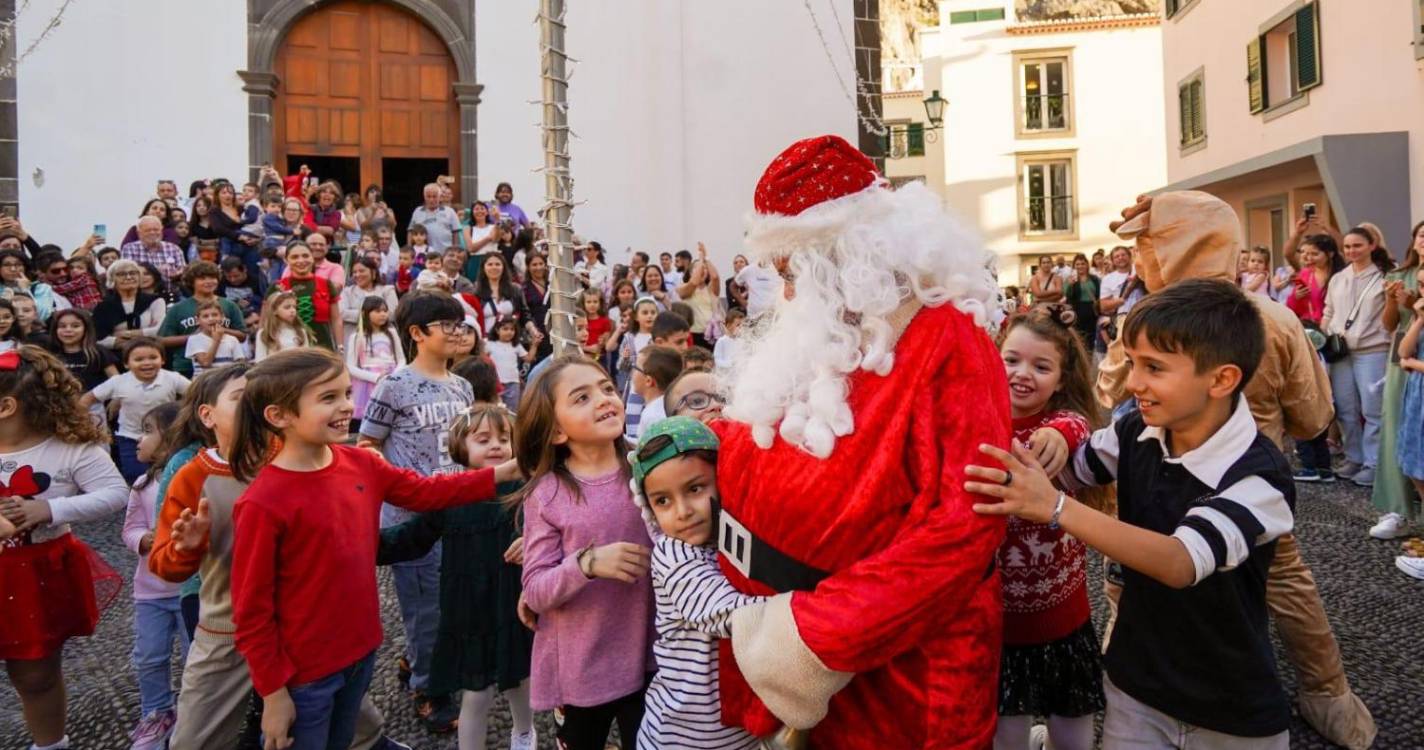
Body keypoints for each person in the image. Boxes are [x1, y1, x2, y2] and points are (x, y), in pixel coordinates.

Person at [713, 135, 1008, 748]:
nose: (787, 292)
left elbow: (961, 530)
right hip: (790, 655)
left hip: (899, 680)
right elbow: (775, 439)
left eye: (794, 270)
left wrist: (813, 634)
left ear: (849, 254)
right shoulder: (824, 329)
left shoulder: (946, 339)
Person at [1099, 191, 1376, 750]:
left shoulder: (1146, 320)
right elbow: (1314, 415)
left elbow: (1109, 390)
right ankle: (1330, 699)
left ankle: (1136, 698)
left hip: (1155, 498)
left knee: (1133, 596)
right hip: (1255, 501)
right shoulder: (1273, 318)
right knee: (1289, 593)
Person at [970, 279, 1293, 748]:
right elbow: (1070, 464)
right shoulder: (1137, 430)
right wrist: (1056, 440)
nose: (1133, 382)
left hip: (1229, 706)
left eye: (1154, 368)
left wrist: (1054, 507)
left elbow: (1180, 561)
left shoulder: (1259, 476)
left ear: (1221, 379)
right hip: (1135, 687)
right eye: (1133, 363)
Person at [226, 349, 517, 750]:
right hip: (304, 675)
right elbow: (251, 611)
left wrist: (504, 472)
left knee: (343, 740)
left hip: (361, 651)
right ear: (279, 416)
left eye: (346, 393)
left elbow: (426, 491)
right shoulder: (262, 503)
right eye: (328, 398)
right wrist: (273, 693)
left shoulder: (360, 463)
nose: (347, 405)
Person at [377, 404, 537, 750]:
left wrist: (536, 543)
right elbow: (412, 537)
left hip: (514, 603)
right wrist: (364, 545)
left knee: (520, 681)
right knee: (475, 692)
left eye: (503, 438)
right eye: (483, 439)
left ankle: (524, 735)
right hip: (469, 610)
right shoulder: (451, 493)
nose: (495, 445)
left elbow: (558, 528)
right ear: (460, 446)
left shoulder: (527, 488)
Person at [515, 356, 655, 750]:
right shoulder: (546, 494)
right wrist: (587, 564)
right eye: (581, 397)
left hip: (653, 654)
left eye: (607, 388)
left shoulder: (649, 465)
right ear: (556, 430)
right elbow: (537, 591)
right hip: (583, 665)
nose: (603, 399)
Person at [357, 292, 478, 731]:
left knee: (453, 601)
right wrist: (398, 488)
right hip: (410, 519)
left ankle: (417, 663)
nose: (456, 331)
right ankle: (431, 690)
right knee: (425, 610)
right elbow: (367, 446)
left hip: (456, 511)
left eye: (459, 323)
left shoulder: (462, 385)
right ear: (416, 333)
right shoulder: (393, 385)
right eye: (446, 323)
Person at [0, 346, 128, 750]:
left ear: (6, 406)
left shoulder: (70, 447)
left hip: (33, 573)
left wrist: (48, 508)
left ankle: (50, 743)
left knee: (35, 673)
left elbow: (114, 493)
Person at [992, 305, 1106, 750]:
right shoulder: (982, 418)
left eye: (1041, 367)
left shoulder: (1059, 426)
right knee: (1007, 730)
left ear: (1061, 379)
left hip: (1064, 614)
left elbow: (1078, 420)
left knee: (1073, 723)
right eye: (1012, 360)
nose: (1023, 374)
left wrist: (1061, 431)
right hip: (999, 620)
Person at [628, 416, 765, 750]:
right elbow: (725, 614)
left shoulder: (727, 541)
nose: (683, 511)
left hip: (736, 735)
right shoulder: (673, 555)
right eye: (663, 501)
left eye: (695, 489)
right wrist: (812, 609)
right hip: (680, 738)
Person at [121, 403, 189, 750]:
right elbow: (129, 529)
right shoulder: (142, 484)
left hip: (191, 592)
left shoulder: (193, 481)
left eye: (147, 431)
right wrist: (142, 540)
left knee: (196, 657)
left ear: (172, 438)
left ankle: (194, 715)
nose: (137, 439)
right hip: (150, 592)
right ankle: (156, 713)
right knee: (149, 655)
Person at [1322, 226, 1393, 487]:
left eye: (1357, 246)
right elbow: (1328, 311)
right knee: (1345, 408)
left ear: (1372, 245)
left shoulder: (1384, 275)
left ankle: (1374, 463)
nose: (1352, 251)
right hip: (1341, 352)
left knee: (1372, 408)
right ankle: (1354, 456)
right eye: (1348, 246)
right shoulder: (1338, 278)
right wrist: (1326, 331)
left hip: (1373, 350)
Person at [1372, 221, 1424, 540]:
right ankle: (1398, 508)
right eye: (1421, 235)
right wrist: (1395, 302)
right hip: (1402, 356)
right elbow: (1389, 324)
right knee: (1396, 431)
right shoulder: (1397, 275)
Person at [81, 337, 190, 483]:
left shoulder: (172, 378)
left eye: (153, 357)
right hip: (130, 437)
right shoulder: (118, 382)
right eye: (139, 359)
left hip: (166, 437)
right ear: (126, 364)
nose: (147, 363)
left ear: (162, 360)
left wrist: (185, 414)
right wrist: (80, 420)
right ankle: (138, 501)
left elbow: (195, 394)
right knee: (135, 475)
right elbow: (88, 398)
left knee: (169, 473)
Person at [157, 261, 248, 377]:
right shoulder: (179, 308)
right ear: (191, 282)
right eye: (202, 278)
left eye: (212, 277)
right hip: (186, 366)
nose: (208, 281)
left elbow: (242, 335)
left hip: (224, 365)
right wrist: (196, 337)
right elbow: (162, 340)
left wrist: (220, 331)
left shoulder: (229, 305)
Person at [1393, 293, 1424, 579]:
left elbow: (1408, 360)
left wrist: (1414, 365)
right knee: (1416, 469)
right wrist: (1419, 319)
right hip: (1417, 398)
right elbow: (1403, 351)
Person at [347, 296, 404, 431]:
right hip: (367, 385)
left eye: (385, 311)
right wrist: (376, 377)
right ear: (366, 313)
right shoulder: (357, 337)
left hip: (391, 380)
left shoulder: (391, 333)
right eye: (377, 311)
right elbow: (351, 366)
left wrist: (394, 375)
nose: (383, 314)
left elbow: (401, 359)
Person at [273, 240, 342, 351]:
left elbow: (336, 319)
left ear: (312, 258)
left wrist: (340, 347)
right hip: (289, 350)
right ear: (286, 260)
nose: (301, 260)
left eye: (305, 256)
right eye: (294, 257)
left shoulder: (326, 284)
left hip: (323, 348)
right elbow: (266, 323)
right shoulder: (278, 287)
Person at [45, 309, 118, 394]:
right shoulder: (49, 354)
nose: (68, 330)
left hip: (94, 403)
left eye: (75, 326)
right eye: (62, 326)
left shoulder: (99, 352)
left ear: (86, 329)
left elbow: (116, 380)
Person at [487, 316, 539, 413]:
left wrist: (534, 345)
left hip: (513, 383)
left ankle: (512, 427)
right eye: (505, 329)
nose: (509, 332)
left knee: (512, 411)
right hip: (496, 383)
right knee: (495, 410)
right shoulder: (490, 344)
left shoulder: (516, 346)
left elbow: (528, 358)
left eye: (512, 329)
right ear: (497, 330)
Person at [0, 248, 68, 323]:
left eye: (18, 265)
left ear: (25, 267)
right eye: (6, 265)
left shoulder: (41, 288)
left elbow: (42, 315)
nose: (13, 269)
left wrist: (25, 290)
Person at [674, 243, 721, 348]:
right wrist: (700, 260)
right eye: (697, 269)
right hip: (692, 333)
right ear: (690, 273)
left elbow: (715, 277)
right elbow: (694, 283)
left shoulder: (710, 289)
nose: (702, 270)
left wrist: (706, 258)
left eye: (704, 269)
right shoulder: (683, 288)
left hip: (711, 333)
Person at [185, 300, 248, 377]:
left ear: (222, 317)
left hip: (226, 381)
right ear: (198, 320)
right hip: (204, 384)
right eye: (205, 316)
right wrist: (216, 340)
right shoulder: (195, 339)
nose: (211, 319)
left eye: (215, 315)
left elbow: (240, 365)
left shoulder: (232, 339)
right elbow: (205, 363)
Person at [474, 253, 530, 338]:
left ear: (503, 267)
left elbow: (525, 315)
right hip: (486, 340)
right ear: (483, 268)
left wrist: (533, 330)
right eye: (490, 264)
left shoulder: (515, 289)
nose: (494, 267)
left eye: (497, 264)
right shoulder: (475, 291)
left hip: (511, 340)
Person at [254, 291, 314, 360]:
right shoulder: (264, 334)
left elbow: (307, 359)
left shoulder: (301, 332)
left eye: (294, 307)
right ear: (274, 310)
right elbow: (260, 361)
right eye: (287, 307)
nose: (292, 310)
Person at [340, 257, 399, 326]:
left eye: (361, 271)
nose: (357, 275)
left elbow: (393, 314)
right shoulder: (347, 292)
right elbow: (342, 313)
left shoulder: (387, 290)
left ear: (373, 272)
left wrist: (366, 315)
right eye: (354, 272)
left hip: (383, 334)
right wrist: (372, 316)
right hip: (354, 334)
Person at [410, 183, 463, 254]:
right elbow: (410, 231)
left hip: (444, 254)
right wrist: (410, 251)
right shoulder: (417, 211)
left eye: (434, 196)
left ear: (440, 197)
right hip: (422, 256)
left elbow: (456, 233)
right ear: (424, 197)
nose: (431, 199)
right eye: (428, 196)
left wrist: (454, 251)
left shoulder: (450, 212)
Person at [218, 256, 266, 331]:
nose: (232, 280)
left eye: (236, 276)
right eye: (228, 277)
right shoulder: (221, 282)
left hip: (253, 313)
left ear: (244, 270)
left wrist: (251, 302)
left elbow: (264, 300)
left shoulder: (256, 280)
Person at [1063, 253, 1099, 351]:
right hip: (1077, 309)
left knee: (1091, 338)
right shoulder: (1071, 279)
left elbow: (1099, 294)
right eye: (1077, 264)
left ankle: (1089, 361)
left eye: (1082, 264)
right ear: (1074, 266)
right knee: (1078, 338)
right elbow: (1066, 295)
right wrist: (1070, 285)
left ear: (1087, 265)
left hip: (1092, 310)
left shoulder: (1094, 279)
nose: (1080, 266)